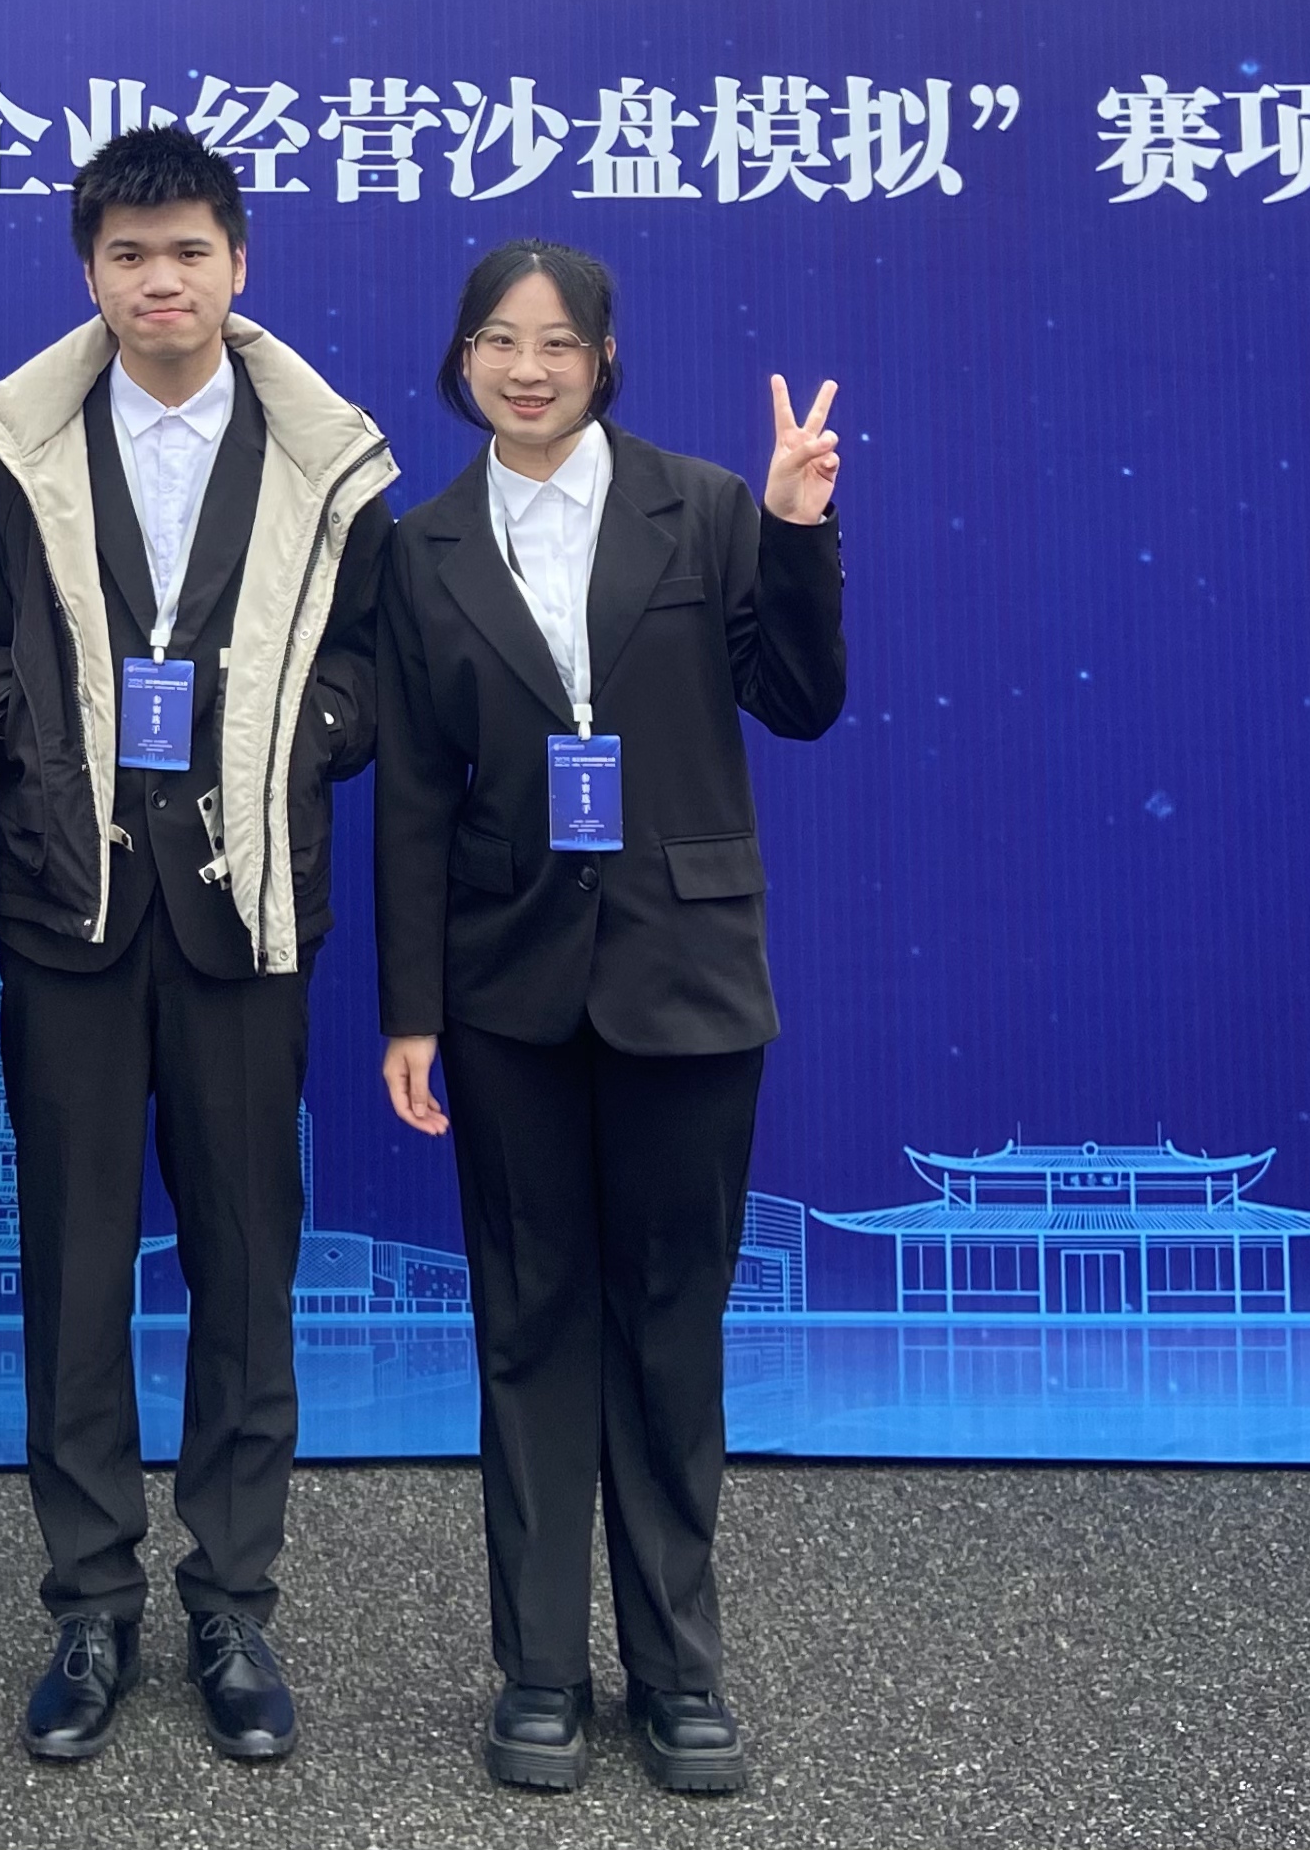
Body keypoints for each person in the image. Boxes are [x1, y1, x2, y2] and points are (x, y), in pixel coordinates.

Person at [372, 240, 846, 1799]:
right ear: (462, 360)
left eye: (558, 341)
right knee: (529, 1326)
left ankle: (678, 1671)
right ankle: (540, 1672)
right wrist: (411, 1009)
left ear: (605, 357)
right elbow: (415, 794)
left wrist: (797, 529)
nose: (528, 368)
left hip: (685, 978)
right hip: (505, 990)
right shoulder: (423, 545)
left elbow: (802, 699)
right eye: (499, 341)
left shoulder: (705, 508)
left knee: (669, 1328)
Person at [0, 123, 394, 1767]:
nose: (161, 281)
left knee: (245, 1266)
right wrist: (27, 739)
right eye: (130, 254)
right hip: (67, 907)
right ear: (91, 272)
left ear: (238, 263)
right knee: (73, 1271)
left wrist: (296, 747)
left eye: (189, 250)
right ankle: (89, 1601)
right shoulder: (15, 451)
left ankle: (232, 1600)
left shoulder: (322, 458)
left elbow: (370, 666)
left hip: (245, 907)